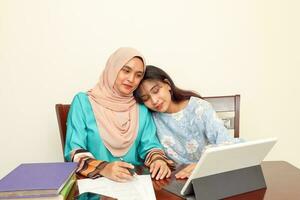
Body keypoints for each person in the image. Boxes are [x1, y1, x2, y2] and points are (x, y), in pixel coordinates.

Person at [64, 48, 174, 182]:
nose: (131, 79)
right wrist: (104, 168)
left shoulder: (141, 107)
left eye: (138, 75)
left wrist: (158, 160)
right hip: (96, 184)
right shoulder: (83, 102)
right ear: (113, 69)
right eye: (126, 71)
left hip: (134, 183)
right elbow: (74, 150)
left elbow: (150, 145)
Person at [134, 65, 241, 179]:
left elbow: (226, 143)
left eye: (156, 90)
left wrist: (202, 166)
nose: (154, 101)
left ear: (168, 85)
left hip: (209, 175)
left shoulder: (199, 108)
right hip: (174, 180)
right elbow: (147, 149)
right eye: (146, 98)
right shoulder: (150, 118)